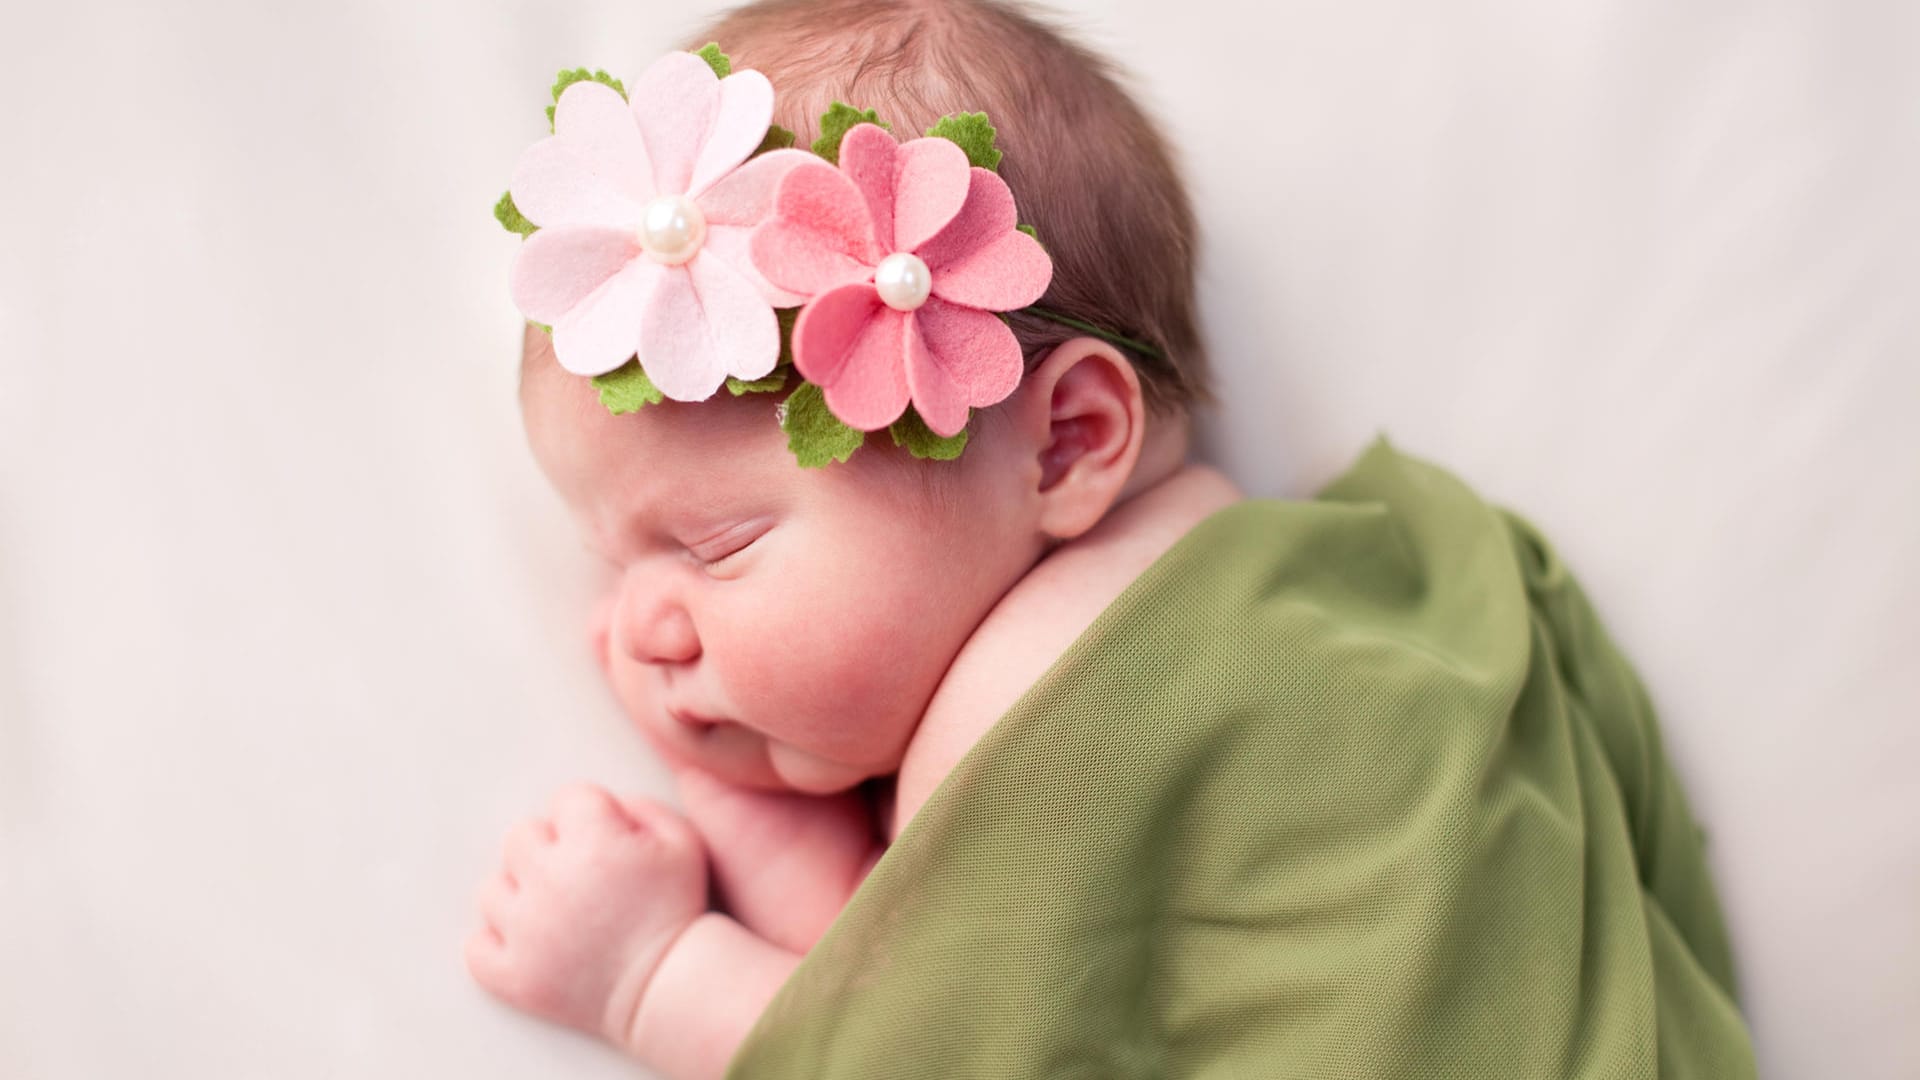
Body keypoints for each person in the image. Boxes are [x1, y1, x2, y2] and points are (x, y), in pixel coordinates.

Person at [465, 2, 1756, 1077]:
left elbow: (936, 1050)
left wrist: (655, 976)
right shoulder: (1348, 600)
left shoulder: (1064, 682)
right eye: (612, 560)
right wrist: (772, 810)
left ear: (1072, 441)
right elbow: (1004, 976)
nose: (635, 624)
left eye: (718, 542)